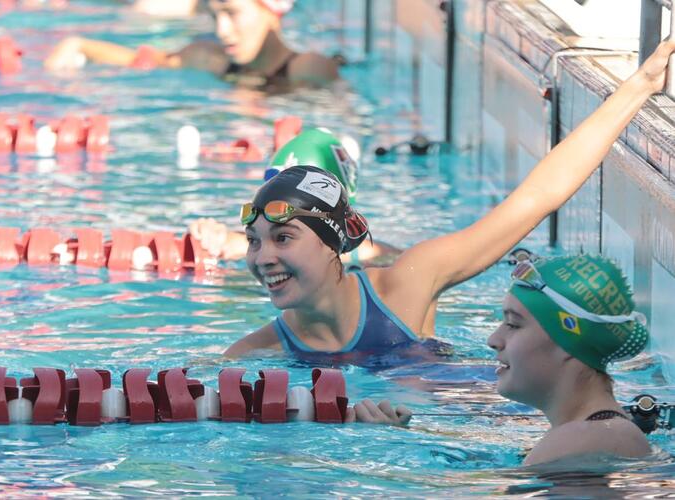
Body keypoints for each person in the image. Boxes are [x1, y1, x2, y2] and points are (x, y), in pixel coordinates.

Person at [222, 39, 675, 361]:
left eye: (282, 237)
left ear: (335, 242)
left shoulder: (407, 284)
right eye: (254, 241)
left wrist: (639, 86)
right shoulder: (251, 355)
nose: (263, 258)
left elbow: (535, 198)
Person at [357, 255, 651, 466]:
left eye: (513, 324)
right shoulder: (594, 435)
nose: (493, 339)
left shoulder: (581, 440)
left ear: (568, 341)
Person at [190, 128, 399, 263]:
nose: (275, 208)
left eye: (290, 200)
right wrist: (211, 235)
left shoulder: (375, 259)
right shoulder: (251, 248)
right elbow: (233, 243)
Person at [45, 0, 339, 89]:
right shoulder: (208, 57)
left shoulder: (310, 68)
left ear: (272, 14)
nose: (222, 31)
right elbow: (141, 60)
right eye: (215, 16)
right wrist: (78, 44)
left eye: (233, 14)